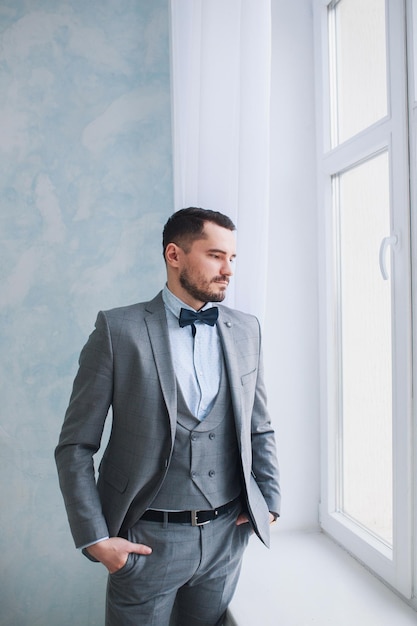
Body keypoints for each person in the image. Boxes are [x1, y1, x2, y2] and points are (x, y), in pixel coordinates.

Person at [55, 207, 280, 626]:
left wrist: (271, 501)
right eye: (215, 255)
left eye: (233, 258)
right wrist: (98, 540)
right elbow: (75, 446)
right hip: (146, 542)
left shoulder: (247, 329)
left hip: (226, 539)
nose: (228, 269)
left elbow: (259, 424)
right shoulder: (117, 330)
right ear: (174, 255)